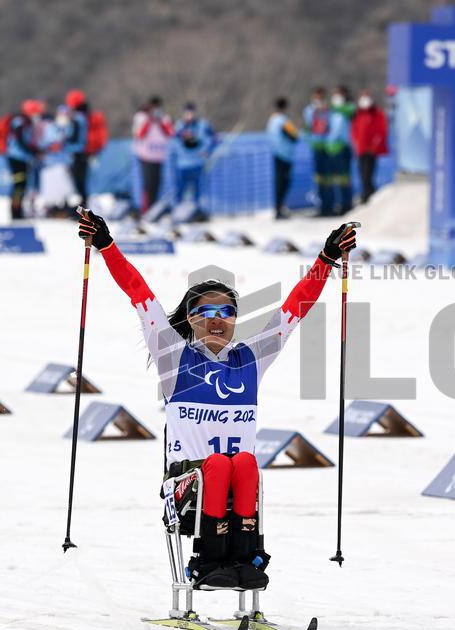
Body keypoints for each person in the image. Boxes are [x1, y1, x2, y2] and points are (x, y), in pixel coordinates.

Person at [75, 208, 358, 590]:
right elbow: (139, 293)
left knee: (242, 463)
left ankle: (244, 559)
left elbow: (295, 309)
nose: (216, 319)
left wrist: (325, 259)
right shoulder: (174, 357)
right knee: (221, 466)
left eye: (226, 311)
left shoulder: (251, 359)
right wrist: (107, 244)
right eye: (205, 311)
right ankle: (206, 562)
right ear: (189, 320)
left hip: (237, 485)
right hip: (186, 488)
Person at [173, 102, 216, 222]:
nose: (189, 115)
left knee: (198, 191)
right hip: (183, 164)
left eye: (191, 112)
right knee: (180, 190)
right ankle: (178, 213)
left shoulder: (202, 125)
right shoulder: (180, 127)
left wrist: (207, 151)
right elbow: (176, 143)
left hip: (197, 164)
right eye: (187, 113)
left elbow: (212, 139)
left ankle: (197, 213)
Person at [132, 97, 175, 215]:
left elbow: (170, 133)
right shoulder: (143, 118)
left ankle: (154, 209)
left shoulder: (164, 119)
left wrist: (160, 121)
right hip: (146, 156)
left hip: (159, 157)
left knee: (157, 184)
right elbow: (139, 134)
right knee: (148, 184)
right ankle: (146, 209)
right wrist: (150, 121)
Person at [6, 99, 43, 220]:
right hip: (16, 159)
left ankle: (18, 209)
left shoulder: (27, 122)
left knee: (22, 185)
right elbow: (20, 140)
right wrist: (31, 151)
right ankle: (15, 211)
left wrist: (35, 151)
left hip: (22, 159)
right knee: (18, 185)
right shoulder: (20, 122)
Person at [350, 90, 388, 204]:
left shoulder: (377, 113)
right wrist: (356, 144)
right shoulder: (358, 114)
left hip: (372, 150)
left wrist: (374, 146)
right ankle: (366, 193)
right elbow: (354, 131)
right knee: (362, 174)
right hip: (361, 149)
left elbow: (381, 130)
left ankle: (369, 194)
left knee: (368, 173)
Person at [266, 97, 299, 219]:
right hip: (286, 155)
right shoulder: (284, 121)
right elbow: (294, 136)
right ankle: (280, 209)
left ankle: (278, 208)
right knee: (284, 183)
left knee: (278, 183)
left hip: (276, 153)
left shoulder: (271, 121)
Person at [303, 87, 333, 216]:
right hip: (316, 147)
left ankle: (330, 204)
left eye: (320, 97)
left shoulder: (329, 111)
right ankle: (321, 205)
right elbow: (308, 128)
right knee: (319, 178)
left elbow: (332, 126)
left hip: (327, 147)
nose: (318, 100)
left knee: (329, 178)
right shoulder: (309, 110)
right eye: (316, 97)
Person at [326, 85, 355, 215]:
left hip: (343, 147)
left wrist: (337, 107)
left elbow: (350, 111)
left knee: (344, 178)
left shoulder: (348, 109)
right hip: (332, 148)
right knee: (333, 179)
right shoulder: (331, 112)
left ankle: (347, 203)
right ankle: (334, 204)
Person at [64, 89, 90, 207]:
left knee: (79, 182)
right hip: (81, 153)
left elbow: (73, 136)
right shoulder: (83, 116)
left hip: (77, 153)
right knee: (81, 182)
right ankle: (83, 205)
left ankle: (83, 207)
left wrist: (64, 139)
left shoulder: (77, 118)